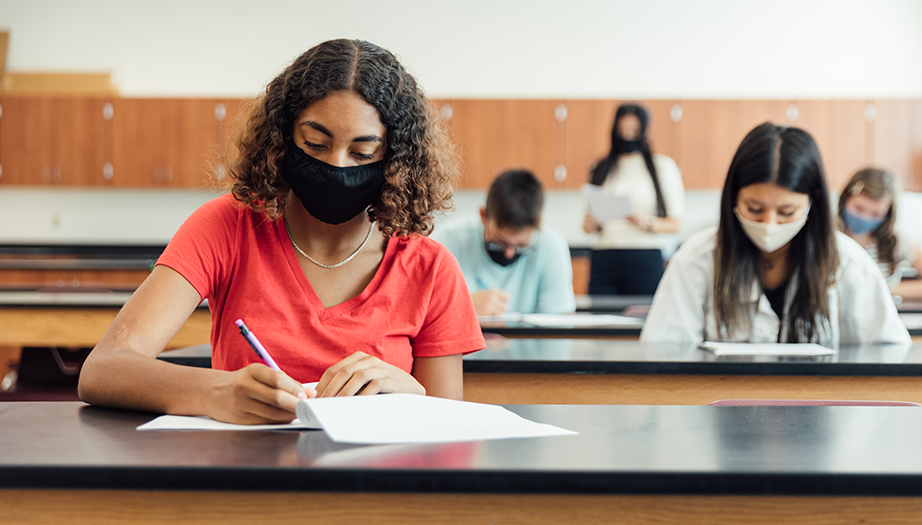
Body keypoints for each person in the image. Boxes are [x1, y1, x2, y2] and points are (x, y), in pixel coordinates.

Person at [78, 39, 485, 424]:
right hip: (249, 483)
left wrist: (410, 392)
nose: (338, 166)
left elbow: (448, 427)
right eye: (315, 144)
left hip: (375, 490)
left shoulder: (431, 268)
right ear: (283, 137)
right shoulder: (228, 226)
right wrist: (216, 391)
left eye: (362, 153)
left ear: (395, 159)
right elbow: (103, 369)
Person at [641, 123, 910, 348]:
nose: (769, 224)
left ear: (812, 202)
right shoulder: (696, 260)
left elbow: (889, 356)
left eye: (786, 211)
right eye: (754, 209)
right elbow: (663, 357)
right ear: (733, 197)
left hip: (823, 410)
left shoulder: (850, 264)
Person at [432, 169, 575, 316]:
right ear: (483, 216)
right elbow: (419, 308)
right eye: (499, 242)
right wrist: (463, 304)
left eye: (521, 245)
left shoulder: (551, 247)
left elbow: (560, 323)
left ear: (536, 227)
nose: (509, 253)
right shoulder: (448, 241)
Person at [582, 103, 685, 295]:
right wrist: (591, 224)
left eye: (634, 131)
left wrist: (645, 222)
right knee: (600, 318)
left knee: (644, 317)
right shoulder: (600, 168)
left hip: (645, 257)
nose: (628, 136)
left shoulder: (662, 167)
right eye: (622, 130)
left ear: (646, 131)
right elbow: (586, 224)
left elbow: (675, 224)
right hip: (605, 256)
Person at [838, 168, 922, 301]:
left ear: (888, 213)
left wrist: (885, 290)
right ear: (845, 200)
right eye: (858, 208)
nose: (865, 217)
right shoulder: (826, 233)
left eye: (876, 214)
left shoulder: (899, 238)